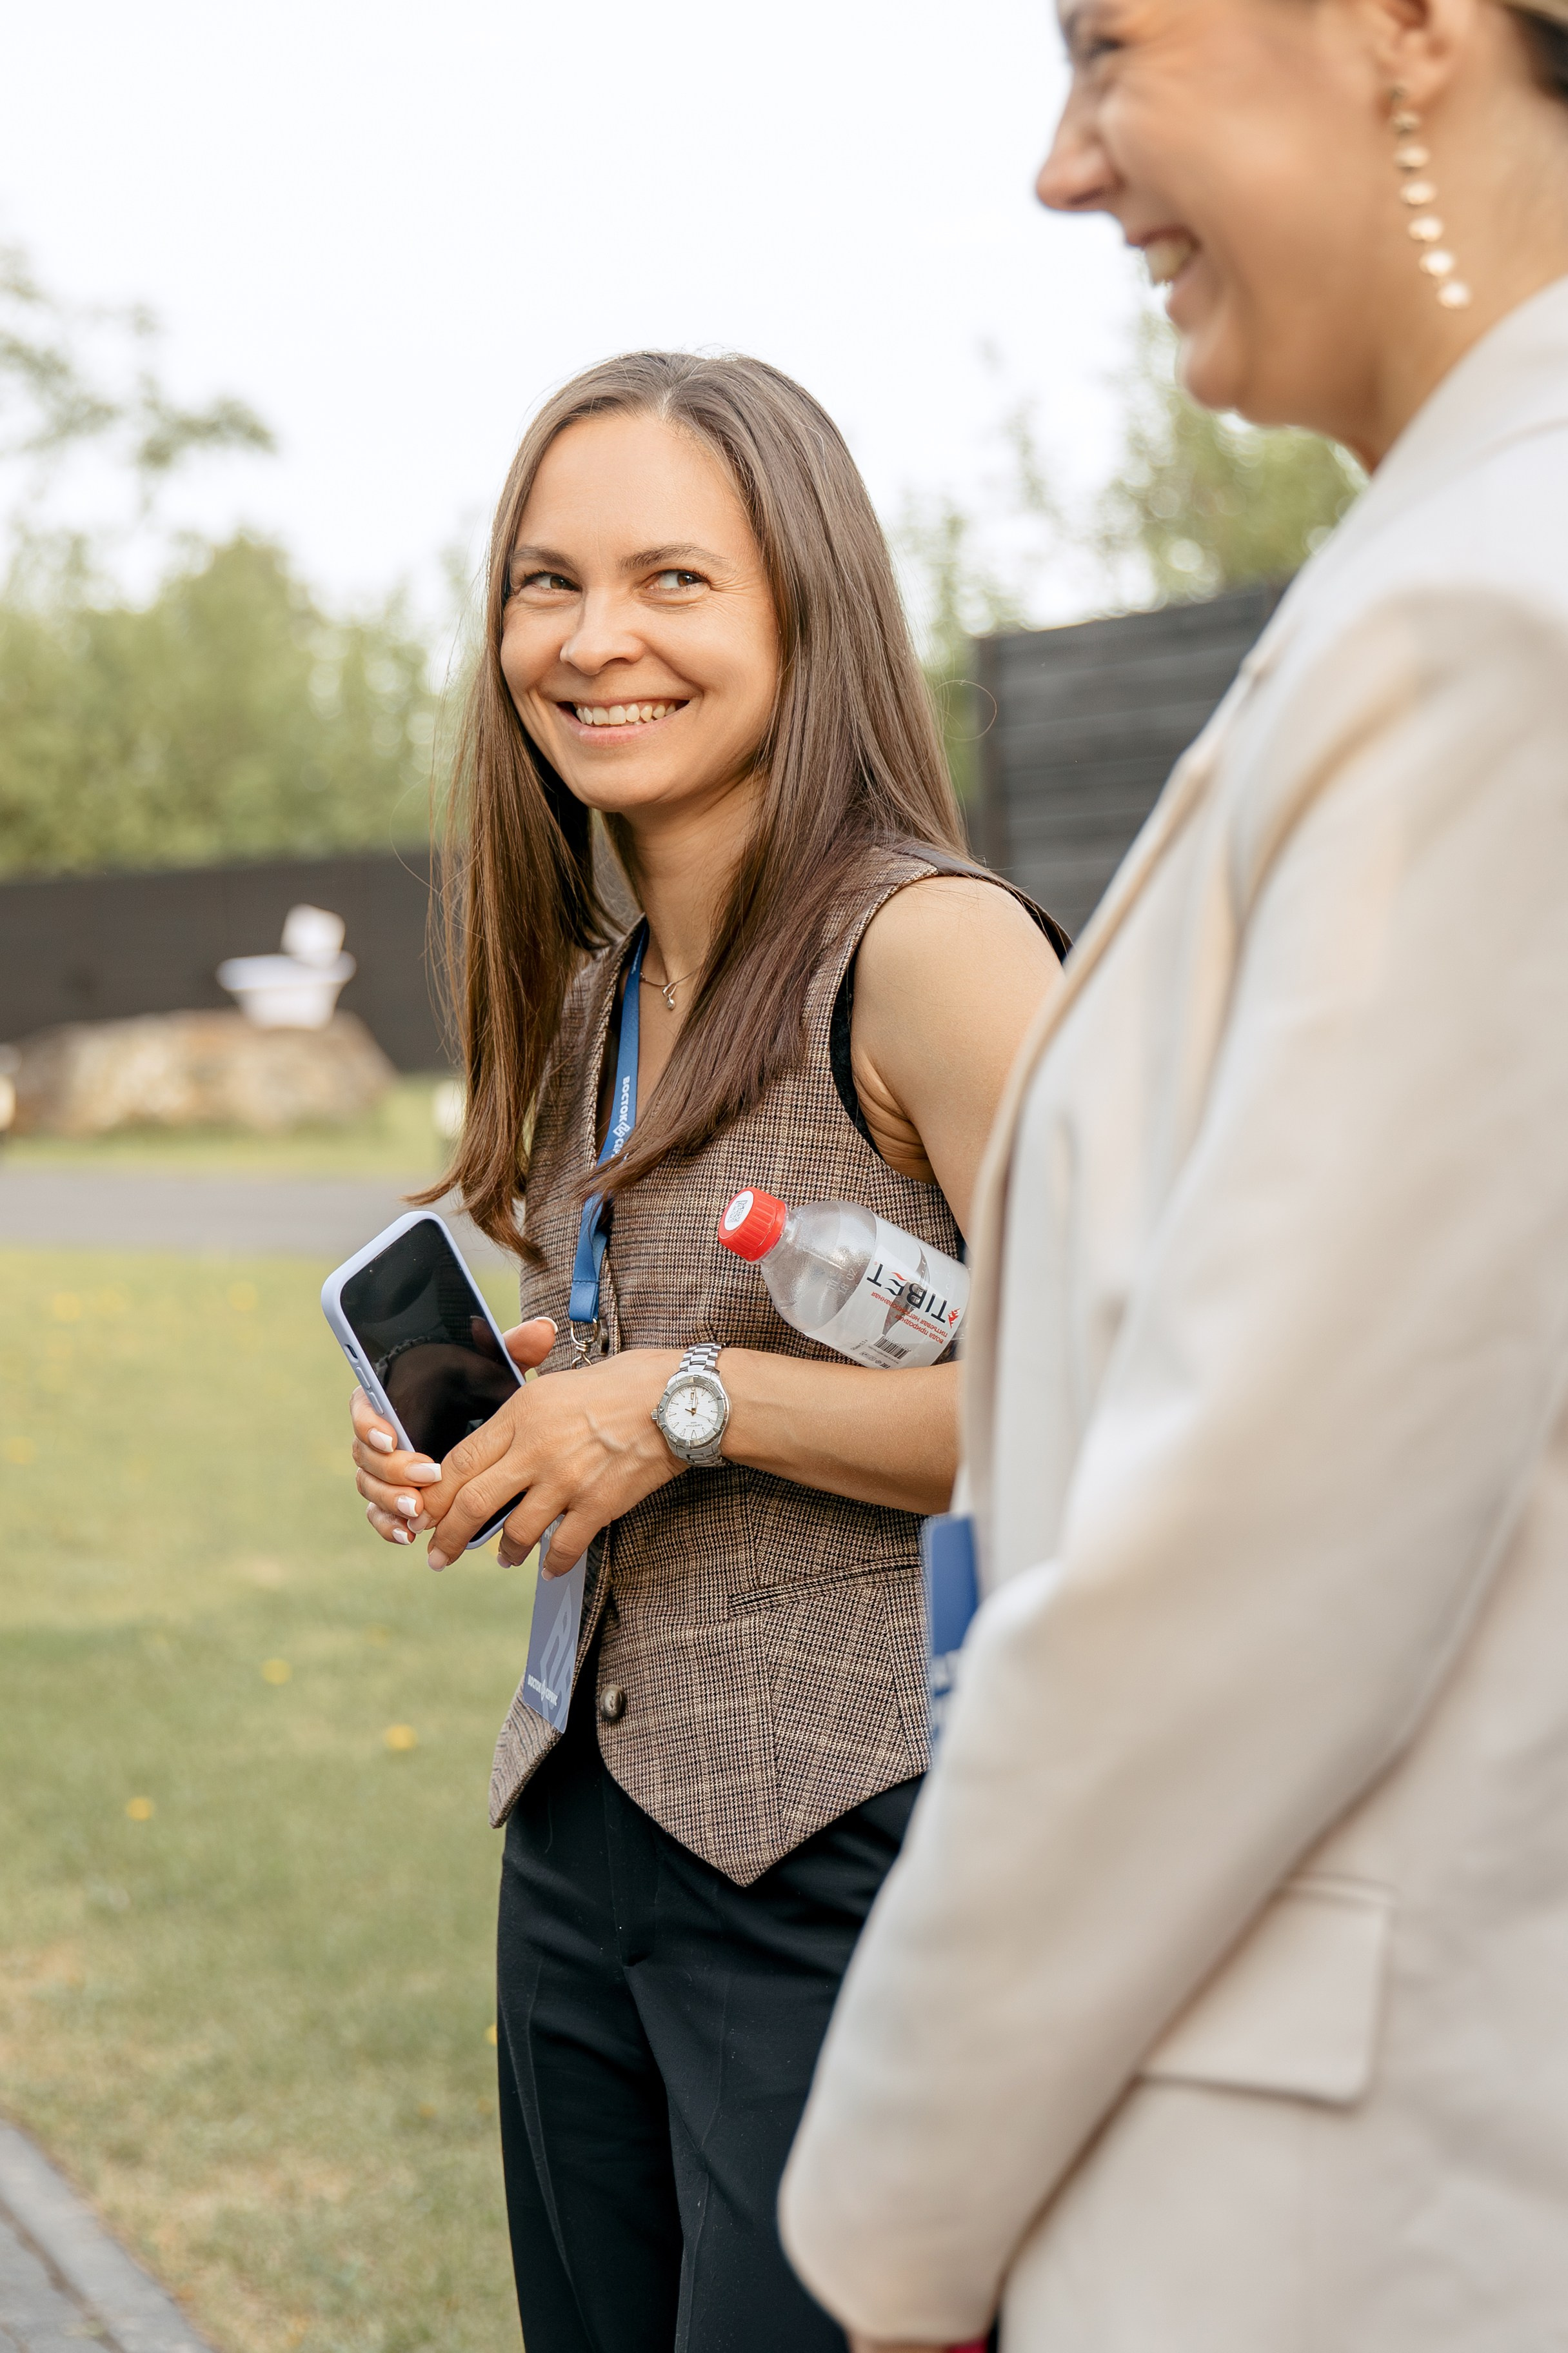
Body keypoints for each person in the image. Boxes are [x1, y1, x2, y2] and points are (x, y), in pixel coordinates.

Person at [778, 0, 1568, 2345]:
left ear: (1413, 28)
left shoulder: (1486, 630)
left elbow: (1243, 1556)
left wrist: (891, 2228)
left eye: (1110, 49)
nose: (1062, 164)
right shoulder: (1442, 570)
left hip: (1325, 2196)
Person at [345, 350, 1064, 2352]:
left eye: (673, 579)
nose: (593, 642)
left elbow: (1124, 1387)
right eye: (543, 583)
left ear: (802, 613)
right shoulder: (600, 995)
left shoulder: (928, 948)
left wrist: (687, 1402)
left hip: (856, 1849)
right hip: (578, 1840)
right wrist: (528, 1403)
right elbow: (660, 1341)